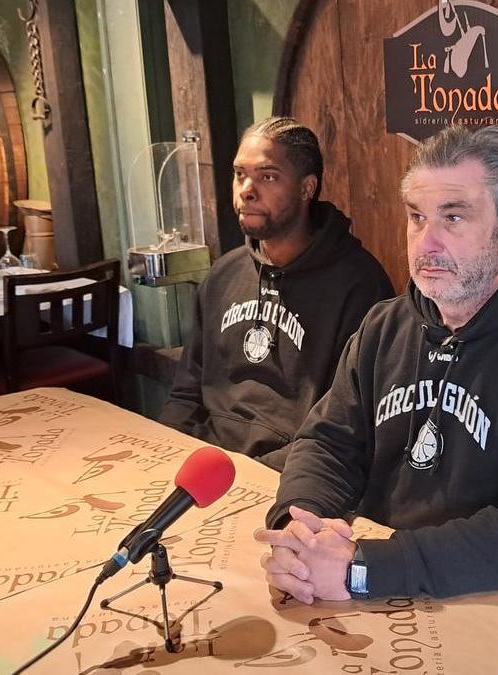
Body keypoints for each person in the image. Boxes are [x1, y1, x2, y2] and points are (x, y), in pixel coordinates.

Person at [255, 125, 498, 623]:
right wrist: (300, 528)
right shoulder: (385, 325)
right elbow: (328, 443)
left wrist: (361, 570)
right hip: (402, 582)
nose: (425, 242)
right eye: (416, 217)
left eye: (453, 217)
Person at [159, 117, 394, 462]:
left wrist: (253, 476)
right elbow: (184, 395)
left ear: (306, 188)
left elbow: (347, 426)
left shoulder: (360, 286)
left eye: (267, 176)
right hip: (207, 463)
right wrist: (167, 451)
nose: (247, 190)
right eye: (240, 174)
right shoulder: (223, 275)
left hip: (291, 474)